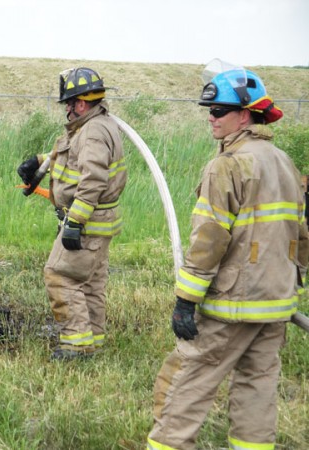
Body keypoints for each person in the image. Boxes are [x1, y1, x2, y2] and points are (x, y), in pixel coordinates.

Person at [147, 60, 308, 450]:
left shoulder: (228, 165)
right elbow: (301, 233)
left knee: (187, 379)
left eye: (219, 110)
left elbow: (209, 238)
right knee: (258, 385)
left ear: (245, 115)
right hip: (275, 303)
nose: (211, 118)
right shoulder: (284, 162)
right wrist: (293, 284)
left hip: (233, 302)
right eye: (210, 110)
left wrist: (186, 300)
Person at [17, 67, 127, 361]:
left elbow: (93, 179)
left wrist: (75, 222)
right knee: (89, 284)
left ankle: (76, 345)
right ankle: (92, 340)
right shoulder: (94, 125)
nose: (66, 109)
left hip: (87, 221)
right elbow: (73, 156)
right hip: (100, 221)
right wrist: (40, 162)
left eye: (68, 103)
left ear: (80, 104)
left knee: (60, 275)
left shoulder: (92, 132)